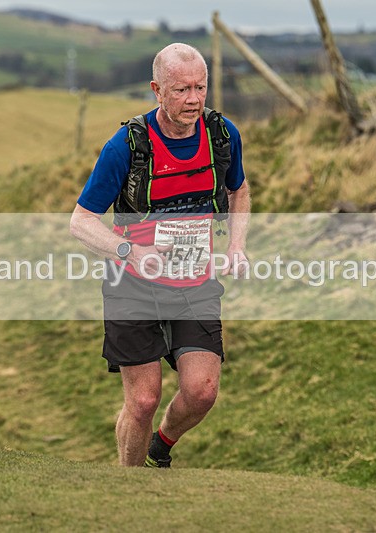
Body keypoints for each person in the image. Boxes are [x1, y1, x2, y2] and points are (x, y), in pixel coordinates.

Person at [70, 42, 250, 468]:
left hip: (194, 281)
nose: (192, 99)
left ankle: (161, 448)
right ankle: (130, 492)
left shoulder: (222, 136)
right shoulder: (126, 147)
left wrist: (237, 245)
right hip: (132, 285)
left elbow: (238, 189)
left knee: (202, 392)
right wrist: (130, 251)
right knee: (144, 400)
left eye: (200, 88)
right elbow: (80, 221)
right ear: (156, 90)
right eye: (180, 90)